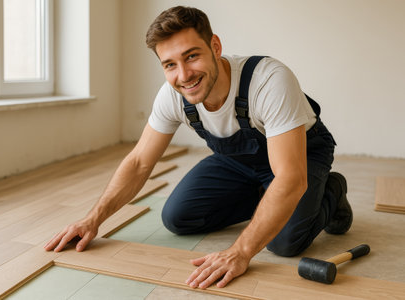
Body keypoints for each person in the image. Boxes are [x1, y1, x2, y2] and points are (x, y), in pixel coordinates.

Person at [45, 6, 353, 290]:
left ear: (215, 47)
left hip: (301, 156)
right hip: (238, 161)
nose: (183, 75)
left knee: (284, 242)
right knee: (179, 217)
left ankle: (332, 190)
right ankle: (266, 197)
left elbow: (290, 178)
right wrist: (92, 219)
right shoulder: (172, 96)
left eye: (192, 56)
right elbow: (140, 162)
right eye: (170, 64)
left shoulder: (269, 80)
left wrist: (241, 251)